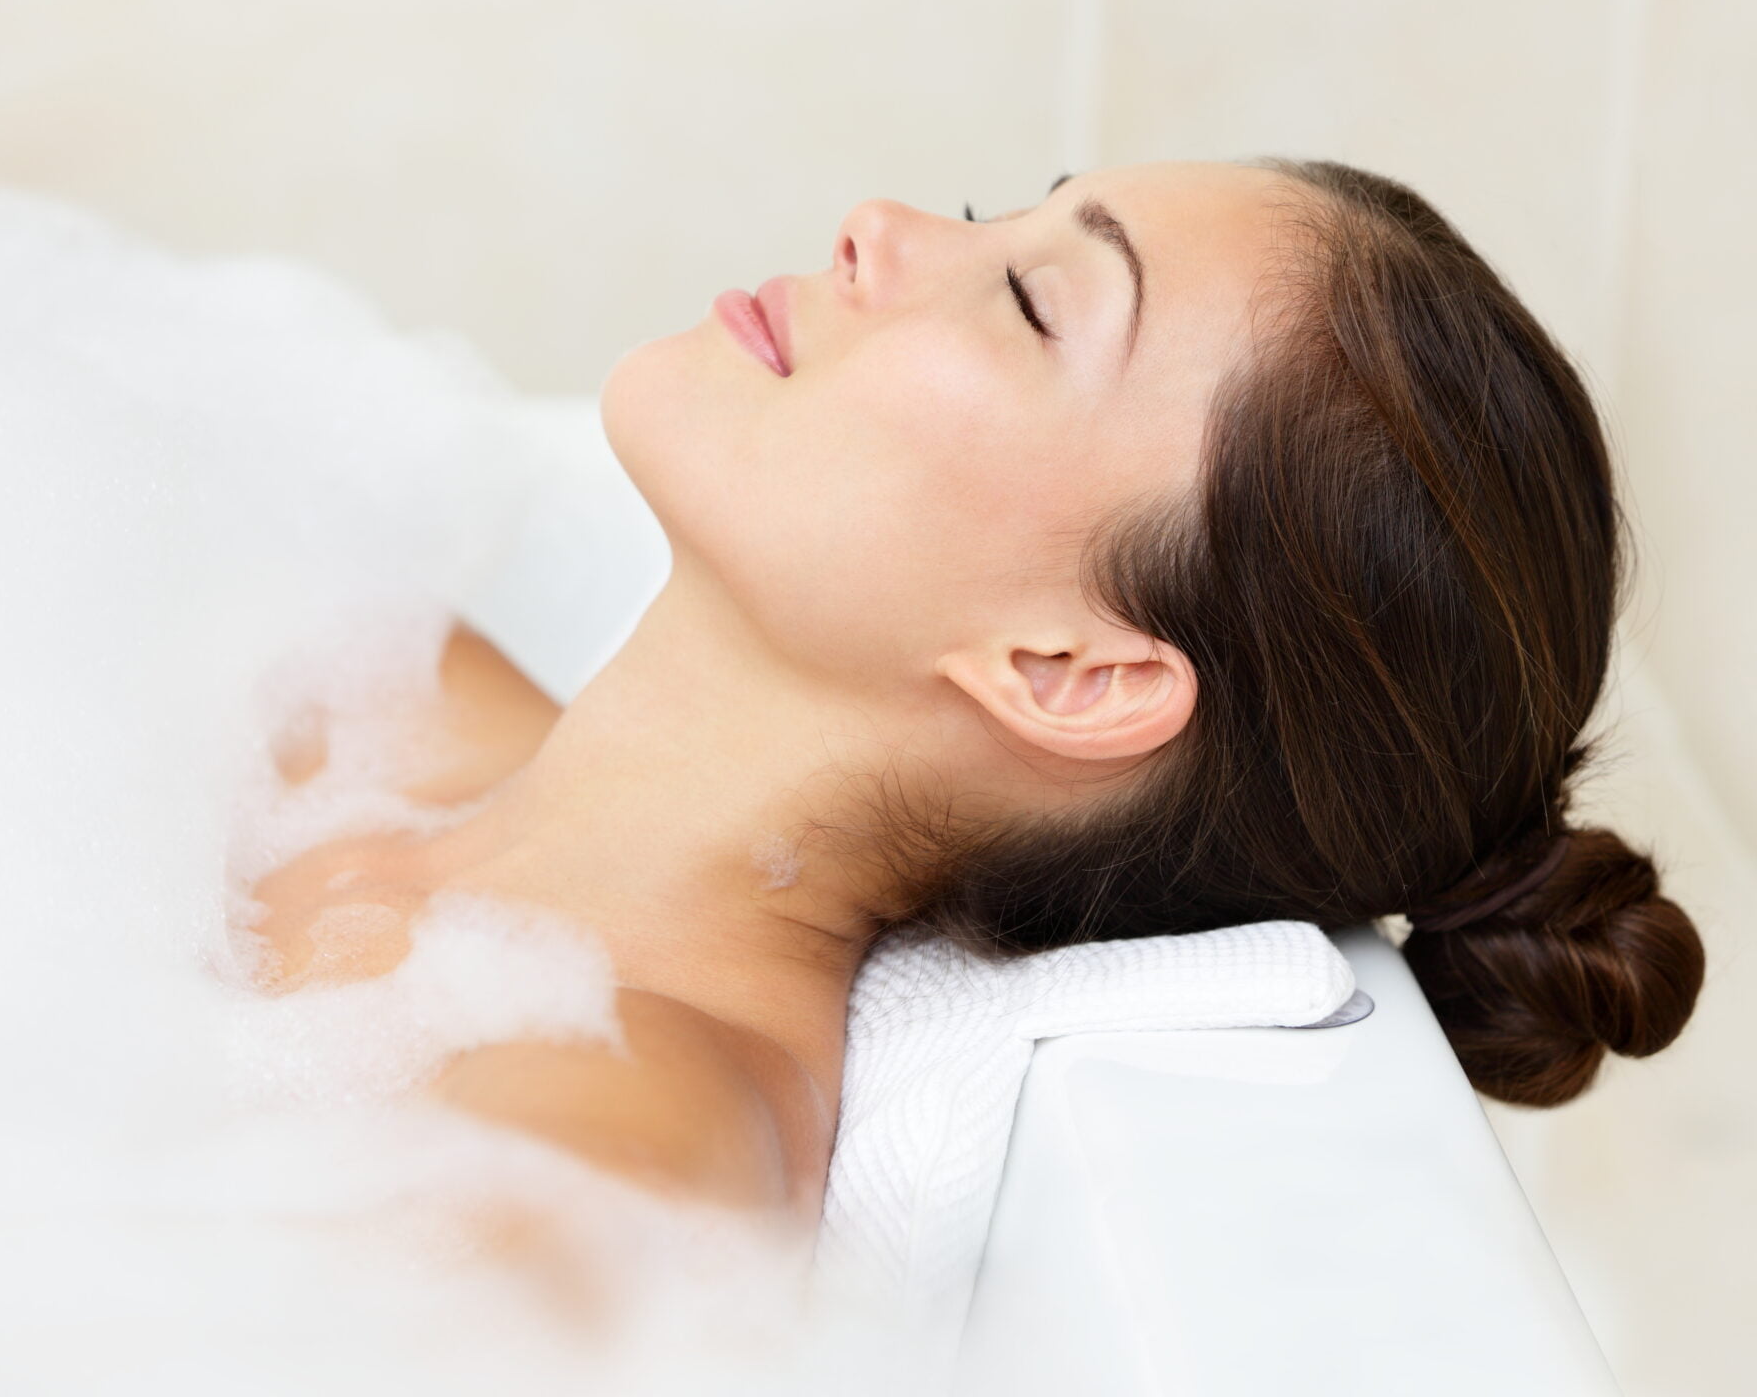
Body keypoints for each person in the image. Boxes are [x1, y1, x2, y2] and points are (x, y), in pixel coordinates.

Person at [239, 158, 1706, 1237]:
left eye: (1028, 299)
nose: (878, 228)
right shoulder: (356, 690)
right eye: (1004, 204)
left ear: (1071, 674)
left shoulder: (607, 1133)